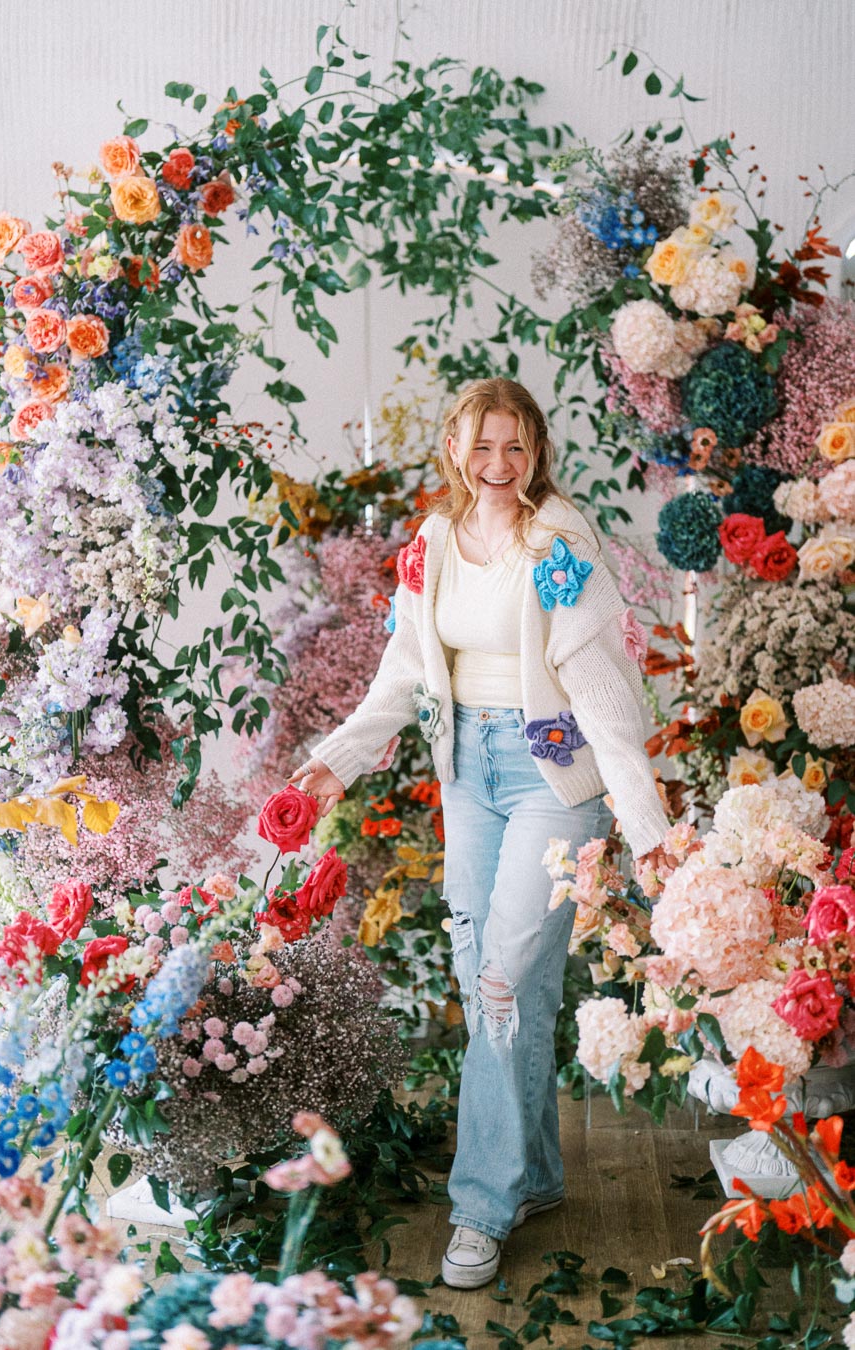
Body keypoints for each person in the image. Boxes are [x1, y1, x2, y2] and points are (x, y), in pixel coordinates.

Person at [291, 378, 673, 1289]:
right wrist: (331, 763)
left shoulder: (559, 540)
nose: (499, 465)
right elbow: (404, 672)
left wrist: (646, 824)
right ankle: (535, 1175)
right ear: (456, 451)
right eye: (482, 447)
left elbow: (606, 692)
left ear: (535, 451)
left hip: (553, 777)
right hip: (468, 773)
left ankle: (481, 1207)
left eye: (516, 448)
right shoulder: (431, 542)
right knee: (498, 980)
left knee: (501, 980)